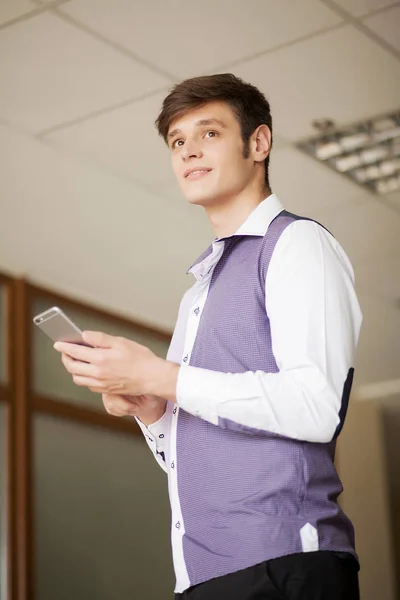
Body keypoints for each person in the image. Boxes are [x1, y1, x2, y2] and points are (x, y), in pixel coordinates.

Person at [55, 73, 362, 600]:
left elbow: (316, 406)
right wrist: (152, 410)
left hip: (286, 564)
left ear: (258, 142)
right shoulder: (199, 290)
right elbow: (195, 453)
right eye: (177, 142)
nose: (189, 152)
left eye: (209, 134)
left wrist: (164, 375)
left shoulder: (296, 244)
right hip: (201, 578)